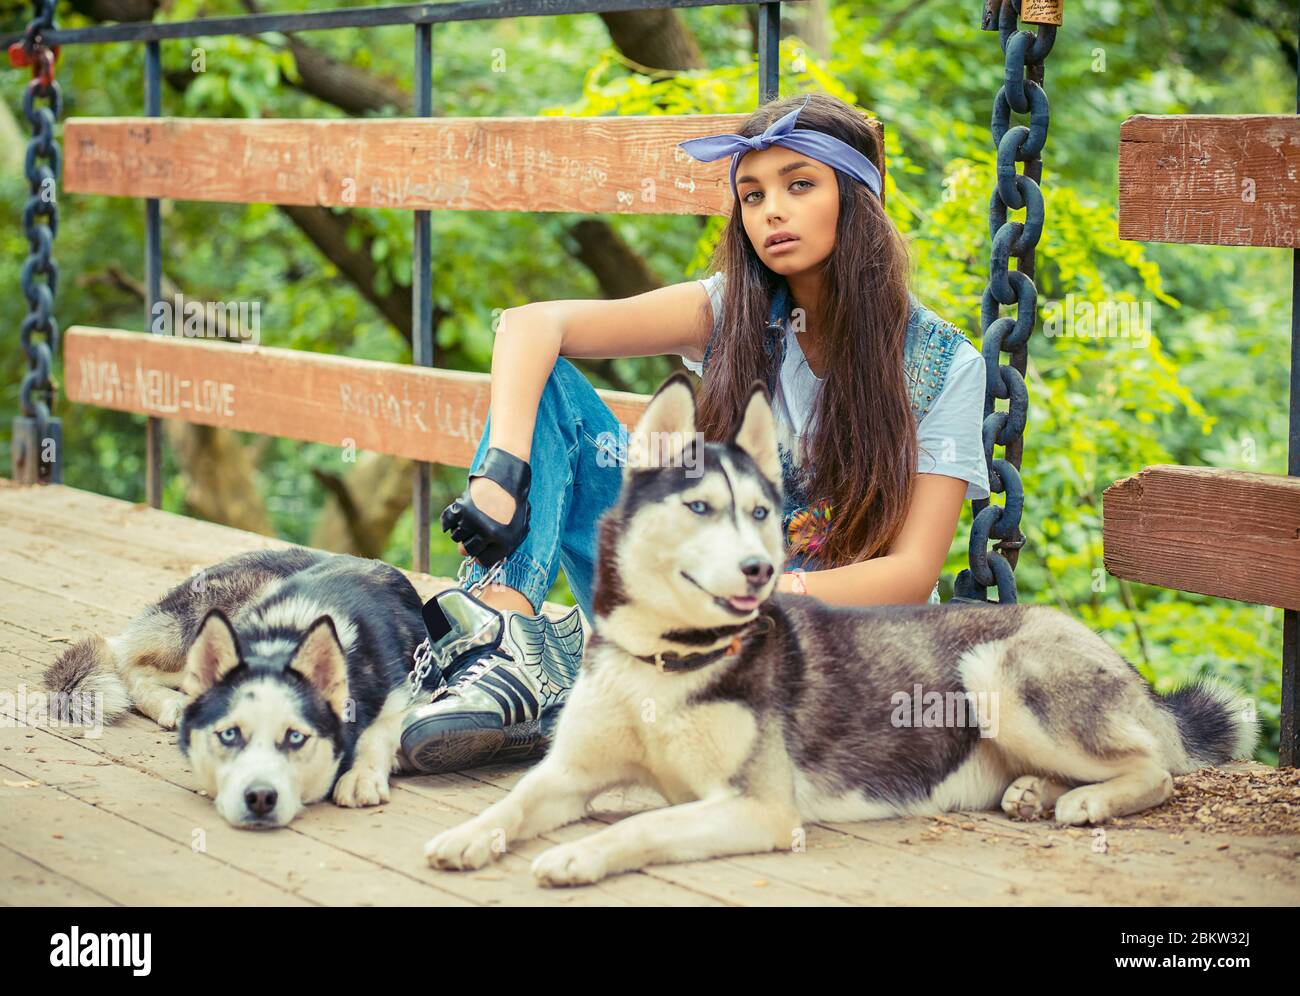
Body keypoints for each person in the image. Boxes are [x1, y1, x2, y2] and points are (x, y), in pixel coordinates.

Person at [399, 91, 991, 775]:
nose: (772, 210)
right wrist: (500, 477)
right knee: (551, 390)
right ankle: (502, 651)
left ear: (856, 198)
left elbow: (912, 574)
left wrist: (751, 596)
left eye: (800, 185)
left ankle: (571, 689)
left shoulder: (944, 366)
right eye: (751, 195)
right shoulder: (729, 311)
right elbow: (531, 325)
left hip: (815, 643)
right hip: (681, 596)